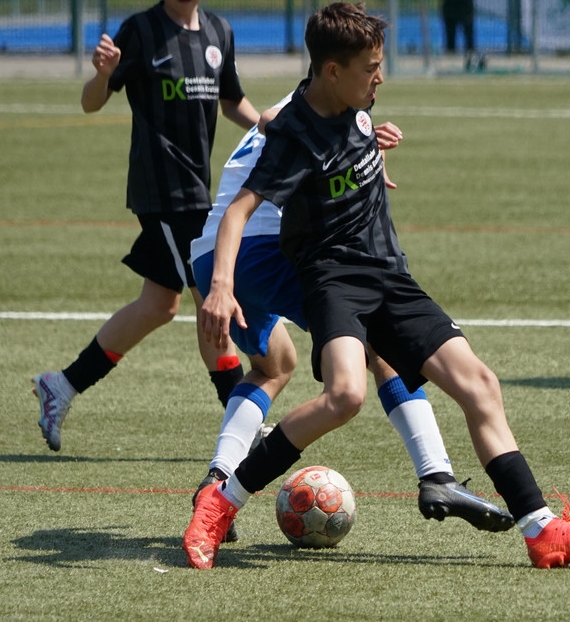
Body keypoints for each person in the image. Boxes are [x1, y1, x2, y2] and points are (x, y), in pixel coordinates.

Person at [184, 2, 570, 570]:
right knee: (345, 396)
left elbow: (343, 144)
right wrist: (221, 286)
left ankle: (544, 531)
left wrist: (367, 153)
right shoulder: (292, 136)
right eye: (371, 68)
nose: (381, 78)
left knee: (480, 385)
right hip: (334, 279)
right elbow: (239, 211)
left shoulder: (354, 106)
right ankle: (220, 503)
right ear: (332, 72)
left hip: (390, 276)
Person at [188, 95, 516, 542]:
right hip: (259, 246)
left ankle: (217, 478)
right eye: (369, 68)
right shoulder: (312, 103)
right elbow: (270, 120)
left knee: (274, 365)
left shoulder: (334, 113)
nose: (376, 80)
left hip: (211, 254)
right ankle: (435, 474)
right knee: (380, 342)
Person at [32, 0, 259, 452]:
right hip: (163, 194)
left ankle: (60, 385)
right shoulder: (139, 31)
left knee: (158, 305)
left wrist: (272, 128)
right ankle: (243, 426)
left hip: (198, 190)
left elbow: (231, 101)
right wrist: (102, 74)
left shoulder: (219, 32)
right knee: (212, 303)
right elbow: (92, 102)